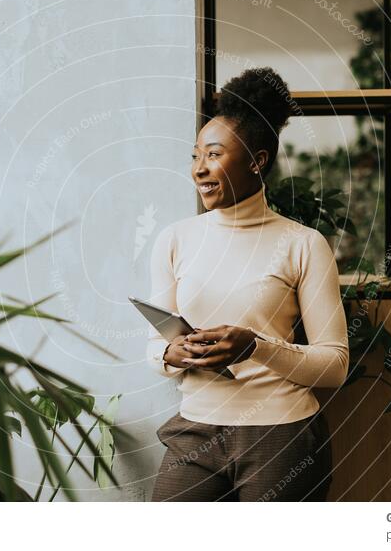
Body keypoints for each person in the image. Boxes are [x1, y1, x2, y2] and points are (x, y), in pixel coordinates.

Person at [146, 66, 349, 502]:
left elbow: (334, 365)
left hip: (281, 435)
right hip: (195, 431)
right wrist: (170, 351)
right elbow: (152, 347)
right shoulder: (175, 239)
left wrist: (256, 347)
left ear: (257, 161)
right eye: (195, 155)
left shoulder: (303, 244)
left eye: (214, 155)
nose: (200, 169)